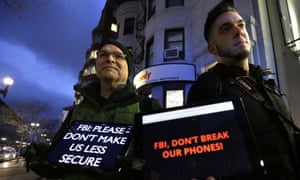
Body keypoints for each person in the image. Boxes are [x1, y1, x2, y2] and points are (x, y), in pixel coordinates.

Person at [187, 2, 300, 180]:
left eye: (241, 25)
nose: (239, 31)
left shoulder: (264, 82)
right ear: (212, 49)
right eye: (225, 29)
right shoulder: (206, 89)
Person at [27, 40, 161, 180]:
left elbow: (163, 163)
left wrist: (138, 170)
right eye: (103, 54)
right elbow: (58, 162)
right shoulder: (76, 112)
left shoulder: (148, 108)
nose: (110, 59)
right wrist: (46, 160)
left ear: (129, 69)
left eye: (118, 56)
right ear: (96, 64)